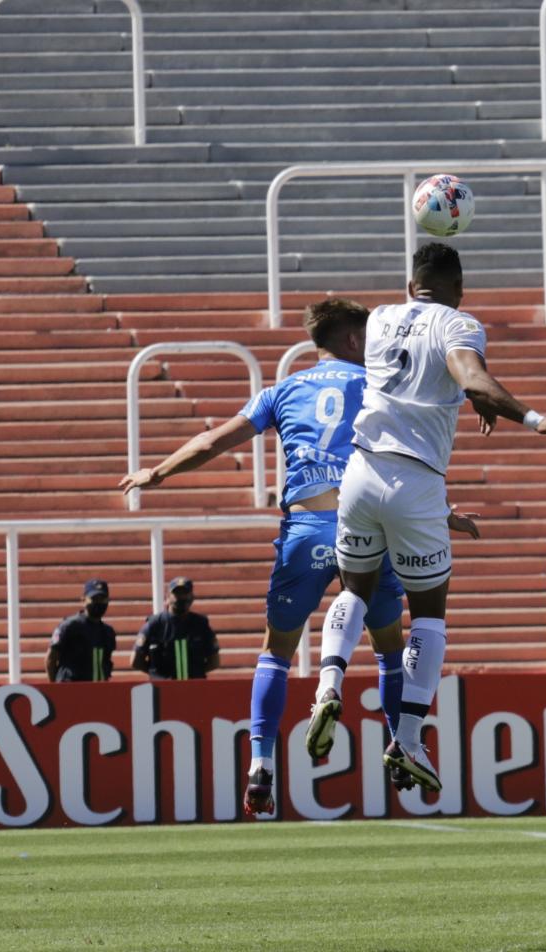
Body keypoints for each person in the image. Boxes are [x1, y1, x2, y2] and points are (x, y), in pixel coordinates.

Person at [120, 298, 475, 817]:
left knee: (277, 651)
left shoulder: (282, 390)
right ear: (353, 340)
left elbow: (213, 441)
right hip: (366, 527)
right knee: (389, 648)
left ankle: (260, 765)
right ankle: (403, 744)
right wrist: (441, 512)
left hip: (305, 530)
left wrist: (157, 472)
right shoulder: (378, 386)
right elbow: (402, 466)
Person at [306, 242, 546, 794]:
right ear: (460, 290)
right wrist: (534, 418)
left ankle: (328, 684)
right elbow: (469, 376)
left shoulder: (381, 318)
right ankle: (407, 738)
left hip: (360, 471)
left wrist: (465, 394)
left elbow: (414, 371)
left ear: (411, 286)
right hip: (416, 482)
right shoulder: (459, 323)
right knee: (428, 615)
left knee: (355, 589)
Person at [131, 576, 220, 680]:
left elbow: (214, 661)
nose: (181, 598)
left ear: (192, 597)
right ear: (168, 597)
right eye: (177, 594)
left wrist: (195, 673)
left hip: (194, 686)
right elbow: (136, 661)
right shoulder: (155, 624)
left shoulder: (201, 624)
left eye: (185, 593)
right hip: (163, 687)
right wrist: (157, 674)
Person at [45, 579, 116, 682]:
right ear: (83, 600)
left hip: (98, 688)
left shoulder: (108, 632)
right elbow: (51, 658)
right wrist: (55, 686)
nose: (99, 603)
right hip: (71, 687)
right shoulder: (70, 626)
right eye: (94, 599)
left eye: (103, 599)